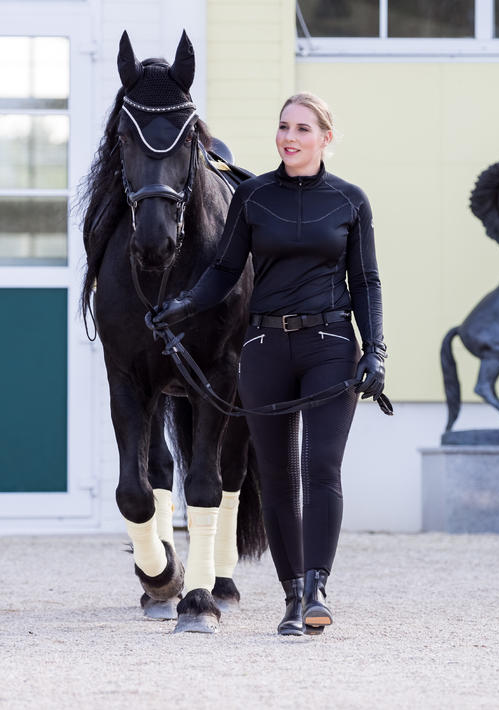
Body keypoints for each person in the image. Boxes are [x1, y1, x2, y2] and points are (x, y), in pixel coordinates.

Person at [147, 92, 386, 637]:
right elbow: (224, 272)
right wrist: (180, 306)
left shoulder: (349, 201)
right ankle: (292, 594)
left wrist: (375, 350)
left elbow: (366, 281)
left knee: (320, 467)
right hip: (264, 348)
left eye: (303, 129)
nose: (290, 137)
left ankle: (317, 587)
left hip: (329, 345)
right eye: (283, 127)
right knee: (275, 474)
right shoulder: (252, 197)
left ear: (326, 137)